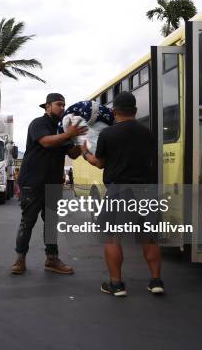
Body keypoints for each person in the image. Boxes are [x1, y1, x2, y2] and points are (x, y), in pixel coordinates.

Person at [80, 92, 164, 296]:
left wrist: (85, 153)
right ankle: (155, 281)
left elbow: (99, 163)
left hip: (119, 191)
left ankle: (116, 284)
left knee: (112, 238)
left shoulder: (108, 135)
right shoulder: (148, 133)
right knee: (149, 238)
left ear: (115, 111)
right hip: (147, 191)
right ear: (135, 111)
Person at [11, 93, 86, 275]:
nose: (62, 108)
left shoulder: (63, 128)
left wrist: (83, 141)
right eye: (59, 104)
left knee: (51, 222)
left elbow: (73, 154)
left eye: (64, 105)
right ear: (47, 107)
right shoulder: (38, 123)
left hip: (53, 182)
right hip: (32, 181)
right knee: (28, 221)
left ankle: (52, 259)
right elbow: (46, 142)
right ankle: (20, 259)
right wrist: (69, 134)